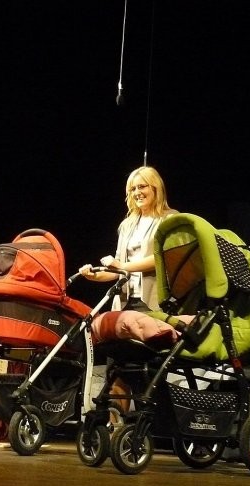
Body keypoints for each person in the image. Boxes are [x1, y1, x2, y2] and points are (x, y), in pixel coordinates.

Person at [79, 165, 178, 411]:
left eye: (142, 186)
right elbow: (119, 269)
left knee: (148, 371)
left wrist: (123, 266)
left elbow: (162, 258)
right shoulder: (127, 225)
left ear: (156, 188)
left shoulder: (170, 220)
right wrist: (95, 275)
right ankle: (116, 427)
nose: (137, 192)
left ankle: (149, 422)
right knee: (118, 369)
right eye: (132, 189)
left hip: (151, 304)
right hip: (124, 305)